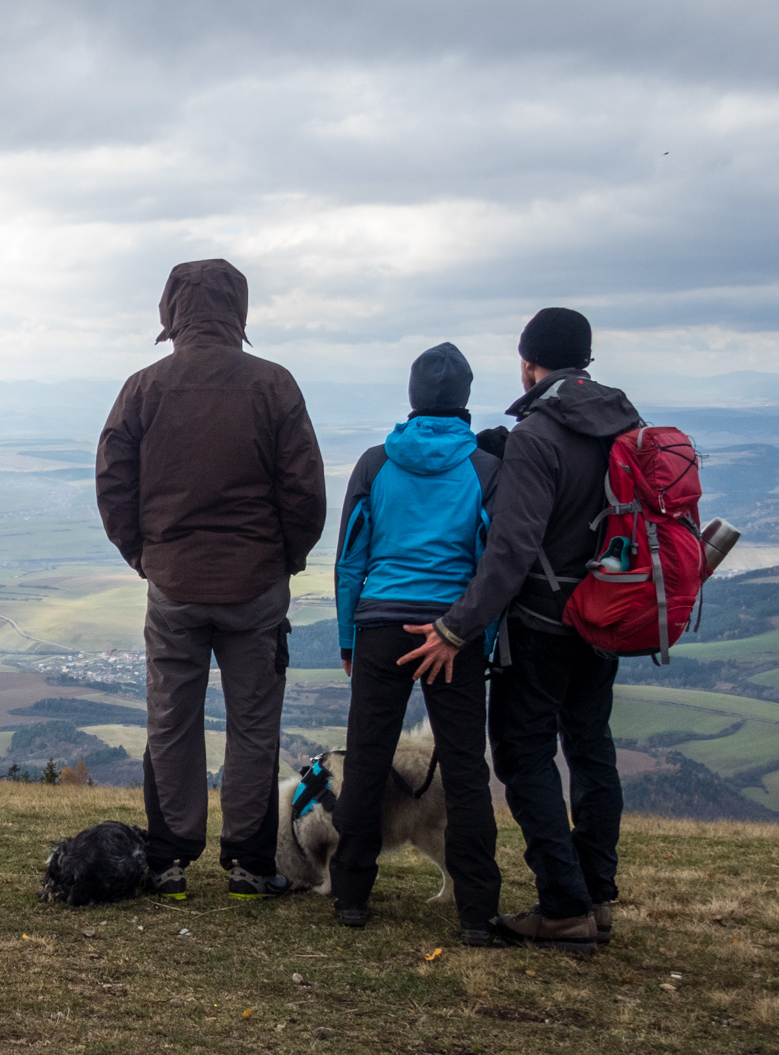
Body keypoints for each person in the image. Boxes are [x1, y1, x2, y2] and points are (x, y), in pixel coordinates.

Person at [400, 308, 642, 954]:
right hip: (605, 616)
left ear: (529, 363)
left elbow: (510, 549)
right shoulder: (624, 421)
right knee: (591, 747)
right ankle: (594, 894)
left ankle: (562, 905)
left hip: (540, 624)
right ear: (584, 361)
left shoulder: (539, 434)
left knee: (522, 754)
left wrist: (456, 627)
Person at [95, 259, 326, 902]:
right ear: (239, 312)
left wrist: (144, 555)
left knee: (172, 720)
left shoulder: (143, 387)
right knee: (254, 724)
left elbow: (112, 481)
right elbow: (305, 490)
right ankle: (251, 864)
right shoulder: (274, 385)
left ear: (171, 313)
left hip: (173, 586)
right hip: (256, 588)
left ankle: (168, 860)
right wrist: (285, 558)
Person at [327, 342, 503, 942]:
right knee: (466, 770)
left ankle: (351, 895)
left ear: (411, 395)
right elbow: (491, 563)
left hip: (380, 627)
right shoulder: (483, 469)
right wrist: (479, 638)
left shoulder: (375, 464)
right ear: (465, 399)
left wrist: (350, 638)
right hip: (453, 633)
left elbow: (352, 561)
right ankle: (478, 912)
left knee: (366, 761)